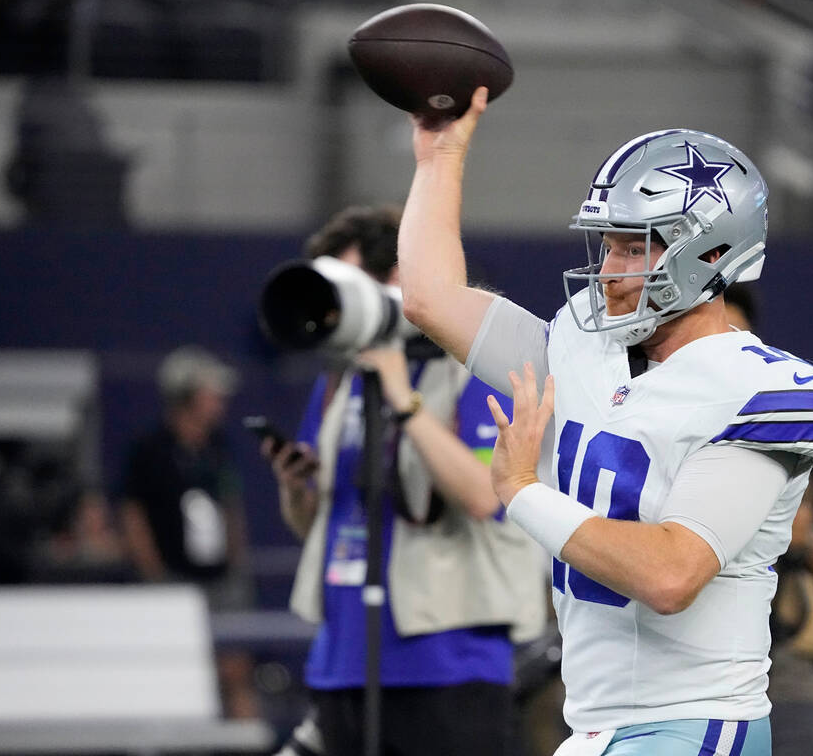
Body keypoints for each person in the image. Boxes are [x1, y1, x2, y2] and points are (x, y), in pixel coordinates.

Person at [395, 88, 813, 755]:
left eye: (634, 249)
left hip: (694, 722)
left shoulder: (759, 388)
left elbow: (670, 576)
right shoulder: (583, 345)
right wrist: (441, 158)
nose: (609, 272)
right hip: (600, 724)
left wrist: (523, 492)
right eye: (606, 247)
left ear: (712, 254)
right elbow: (432, 299)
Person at [263, 205, 546, 756]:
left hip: (446, 663)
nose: (333, 308)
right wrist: (293, 486)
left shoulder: (474, 361)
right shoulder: (341, 380)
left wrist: (404, 400)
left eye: (343, 287)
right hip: (344, 658)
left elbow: (486, 495)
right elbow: (314, 524)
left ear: (398, 279)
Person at [724, 285, 813, 756]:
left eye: (735, 336)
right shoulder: (657, 435)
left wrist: (803, 538)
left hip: (782, 677)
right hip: (682, 680)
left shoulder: (804, 454)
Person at [117, 345, 259, 719]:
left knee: (236, 670)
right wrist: (154, 576)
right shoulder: (150, 452)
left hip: (221, 580)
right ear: (186, 396)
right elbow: (133, 515)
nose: (220, 401)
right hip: (173, 579)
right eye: (211, 393)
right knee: (176, 674)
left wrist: (235, 563)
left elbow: (231, 504)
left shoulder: (218, 446)